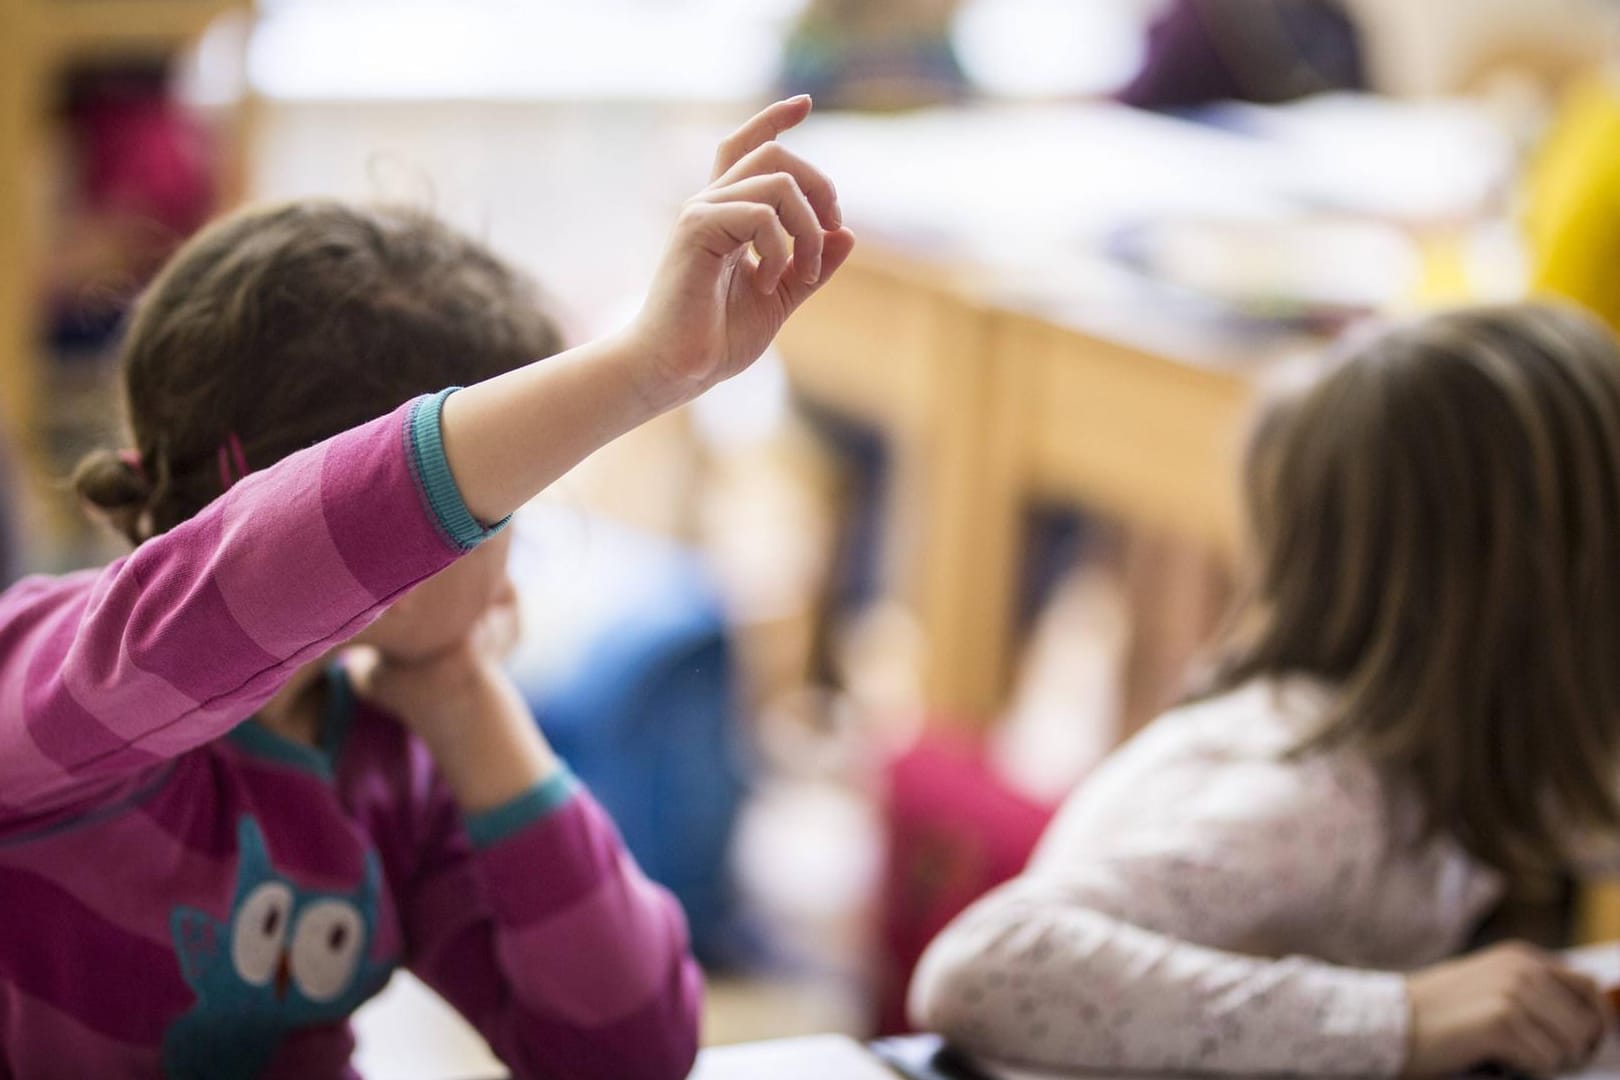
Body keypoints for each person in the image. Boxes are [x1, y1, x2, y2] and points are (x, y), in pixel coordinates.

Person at [0, 96, 855, 1079]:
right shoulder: (63, 681)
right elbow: (281, 558)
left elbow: (630, 1052)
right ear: (394, 549)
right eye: (499, 509)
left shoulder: (392, 768)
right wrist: (635, 373)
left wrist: (467, 702)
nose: (514, 557)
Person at [910, 304, 1620, 1078]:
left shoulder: (1490, 753)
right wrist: (1401, 1019)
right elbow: (985, 967)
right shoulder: (1325, 801)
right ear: (1542, 603)